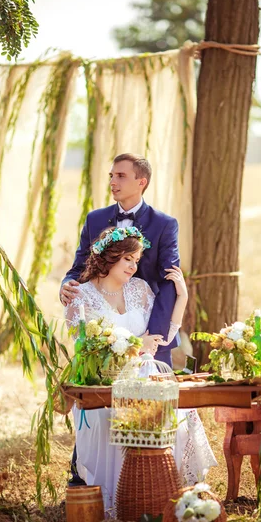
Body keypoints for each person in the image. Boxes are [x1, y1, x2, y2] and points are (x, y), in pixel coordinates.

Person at [65, 227, 217, 512]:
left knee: (176, 408)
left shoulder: (140, 289)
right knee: (110, 415)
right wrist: (136, 344)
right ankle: (120, 500)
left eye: (137, 260)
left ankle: (172, 494)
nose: (134, 267)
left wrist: (181, 297)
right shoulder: (80, 296)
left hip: (145, 374)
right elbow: (86, 348)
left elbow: (165, 337)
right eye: (128, 260)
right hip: (105, 380)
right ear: (109, 257)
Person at [60, 153, 179, 365]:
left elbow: (168, 281)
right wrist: (65, 284)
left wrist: (151, 340)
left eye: (121, 176)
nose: (113, 182)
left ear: (141, 182)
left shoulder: (164, 224)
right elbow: (79, 266)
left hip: (151, 333)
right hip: (106, 335)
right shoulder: (94, 219)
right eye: (111, 175)